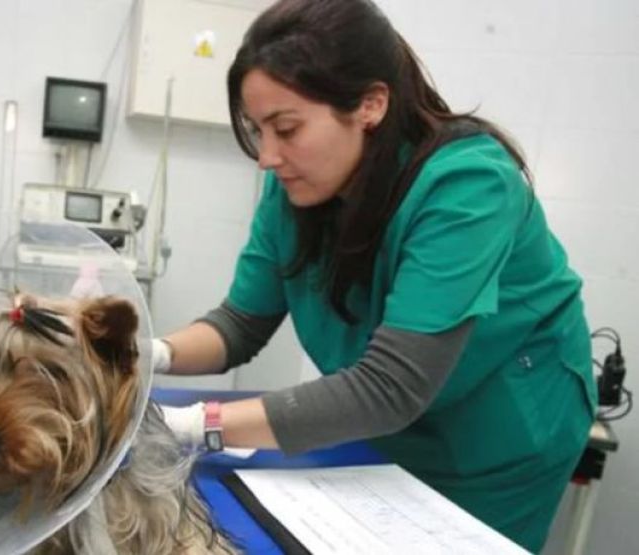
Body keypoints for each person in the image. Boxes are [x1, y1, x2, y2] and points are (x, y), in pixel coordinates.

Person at [154, 0, 596, 552]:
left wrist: (194, 425)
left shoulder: (469, 186)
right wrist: (149, 354)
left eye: (286, 128)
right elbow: (241, 323)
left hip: (500, 437)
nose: (267, 156)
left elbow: (391, 386)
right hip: (389, 421)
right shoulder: (295, 187)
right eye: (257, 129)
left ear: (370, 104)